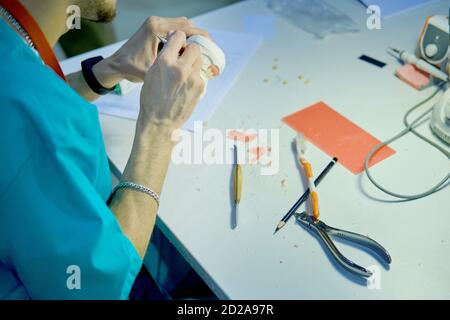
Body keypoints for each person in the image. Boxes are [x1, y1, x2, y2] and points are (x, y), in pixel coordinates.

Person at [0, 0, 211, 299]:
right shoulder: (26, 113)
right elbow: (93, 288)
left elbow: (33, 111)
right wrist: (160, 125)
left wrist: (110, 68)